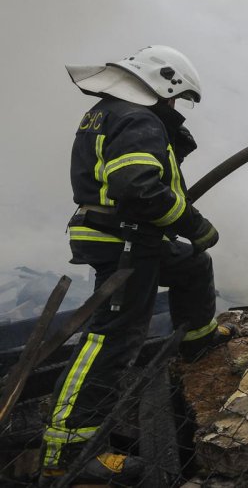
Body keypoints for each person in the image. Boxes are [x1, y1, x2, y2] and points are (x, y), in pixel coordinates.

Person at [42, 46, 229, 485]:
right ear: (161, 84)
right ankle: (67, 449)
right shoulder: (138, 117)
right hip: (124, 242)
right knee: (114, 339)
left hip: (132, 238)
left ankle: (197, 344)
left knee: (192, 267)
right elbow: (137, 186)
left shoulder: (110, 112)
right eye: (174, 98)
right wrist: (194, 223)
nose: (173, 107)